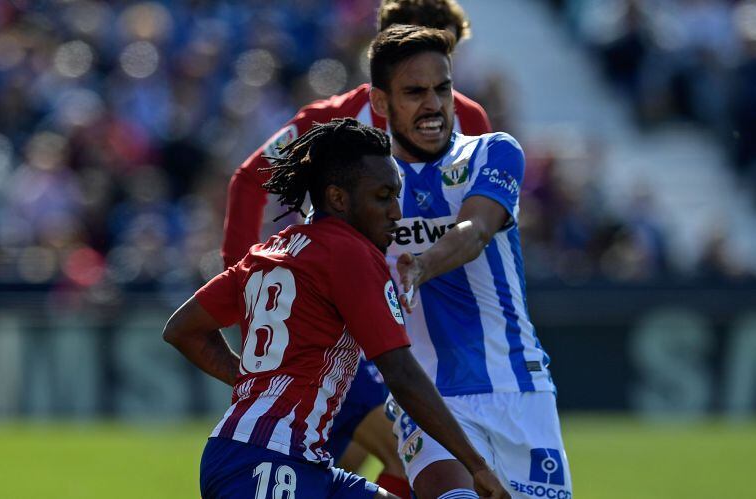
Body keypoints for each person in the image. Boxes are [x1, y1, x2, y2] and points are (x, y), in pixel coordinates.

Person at [220, 2, 490, 497]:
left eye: (446, 59)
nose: (434, 84)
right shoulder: (329, 120)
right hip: (342, 317)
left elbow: (477, 218)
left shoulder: (467, 117)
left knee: (340, 457)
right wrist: (248, 289)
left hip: (423, 321)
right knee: (408, 449)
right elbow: (247, 180)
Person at [164, 118, 509, 499]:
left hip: (286, 458)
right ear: (339, 199)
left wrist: (254, 390)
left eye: (397, 194)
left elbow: (183, 328)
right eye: (383, 196)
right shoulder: (350, 253)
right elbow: (400, 372)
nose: (396, 211)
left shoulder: (272, 250)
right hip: (267, 463)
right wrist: (477, 465)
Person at [366, 25, 573, 498]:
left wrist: (421, 264)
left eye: (442, 88)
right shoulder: (363, 184)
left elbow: (475, 230)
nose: (434, 105)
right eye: (414, 92)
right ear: (381, 103)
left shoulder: (492, 152)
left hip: (518, 389)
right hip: (428, 399)